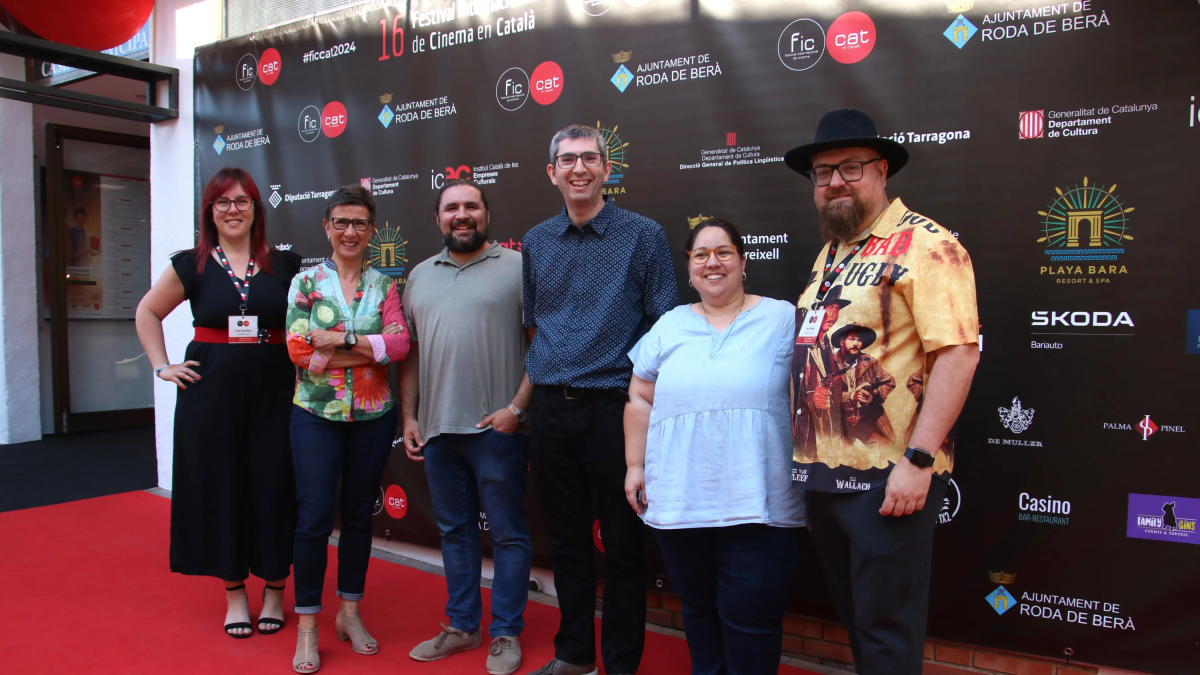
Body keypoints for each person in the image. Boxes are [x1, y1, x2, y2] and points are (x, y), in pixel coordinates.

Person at [785, 109, 980, 675]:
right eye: (823, 173)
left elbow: (959, 353)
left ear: (882, 170)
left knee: (888, 633)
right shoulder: (835, 252)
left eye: (850, 167)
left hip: (889, 478)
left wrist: (918, 460)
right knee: (862, 626)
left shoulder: (927, 244)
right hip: (825, 474)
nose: (835, 182)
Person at [521, 124, 680, 675]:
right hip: (548, 408)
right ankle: (573, 654)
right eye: (567, 160)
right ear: (552, 173)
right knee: (565, 542)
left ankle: (620, 664)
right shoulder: (537, 241)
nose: (579, 169)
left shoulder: (644, 235)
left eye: (590, 159)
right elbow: (534, 323)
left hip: (615, 411)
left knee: (623, 548)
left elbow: (663, 327)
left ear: (608, 170)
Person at [623, 218, 806, 675]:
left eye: (723, 252)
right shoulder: (669, 324)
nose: (712, 262)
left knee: (752, 621)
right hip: (682, 502)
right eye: (701, 254)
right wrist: (634, 465)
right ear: (689, 270)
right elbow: (640, 396)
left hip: (759, 503)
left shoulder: (783, 317)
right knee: (700, 614)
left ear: (743, 263)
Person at [135, 167, 301, 639]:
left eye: (242, 201)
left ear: (256, 209)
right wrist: (162, 366)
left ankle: (274, 588)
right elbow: (147, 310)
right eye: (222, 202)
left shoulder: (285, 264)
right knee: (221, 487)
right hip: (209, 395)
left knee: (273, 486)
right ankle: (233, 593)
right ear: (210, 210)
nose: (233, 209)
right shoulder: (191, 263)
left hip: (276, 391)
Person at [400, 179, 532, 675]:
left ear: (486, 214)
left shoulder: (518, 268)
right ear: (438, 218)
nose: (462, 214)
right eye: (451, 207)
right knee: (454, 533)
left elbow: (542, 345)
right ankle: (462, 627)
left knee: (509, 536)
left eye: (471, 206)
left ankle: (505, 634)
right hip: (437, 432)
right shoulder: (418, 276)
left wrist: (517, 410)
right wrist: (410, 416)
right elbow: (408, 354)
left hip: (497, 431)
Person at [284, 185, 410, 674]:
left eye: (359, 223)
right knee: (314, 518)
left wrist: (338, 339)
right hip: (315, 415)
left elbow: (400, 346)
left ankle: (350, 614)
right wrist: (366, 348)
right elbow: (298, 353)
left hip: (373, 419)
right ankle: (309, 626)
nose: (350, 231)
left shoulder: (385, 286)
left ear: (372, 230)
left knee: (359, 516)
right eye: (342, 222)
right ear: (327, 227)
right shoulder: (305, 283)